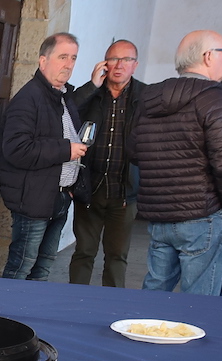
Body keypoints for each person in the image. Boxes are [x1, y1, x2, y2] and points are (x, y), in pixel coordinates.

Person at [132, 30, 222, 295]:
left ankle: (145, 324)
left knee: (155, 291)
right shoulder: (215, 97)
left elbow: (134, 151)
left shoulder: (150, 96)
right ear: (208, 56)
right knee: (199, 299)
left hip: (160, 212)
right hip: (202, 213)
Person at [0, 33, 87, 282]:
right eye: (62, 57)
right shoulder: (28, 99)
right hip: (33, 200)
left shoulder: (62, 96)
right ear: (43, 60)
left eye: (73, 58)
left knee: (43, 268)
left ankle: (31, 308)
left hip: (59, 197)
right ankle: (6, 307)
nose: (68, 64)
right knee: (21, 268)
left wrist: (69, 188)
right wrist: (66, 150)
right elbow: (17, 149)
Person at [66, 40, 146, 288]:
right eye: (113, 59)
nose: (119, 65)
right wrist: (92, 85)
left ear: (135, 65)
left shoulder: (146, 97)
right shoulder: (92, 94)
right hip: (90, 187)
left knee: (117, 256)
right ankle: (75, 301)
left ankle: (112, 304)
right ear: (104, 63)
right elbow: (66, 111)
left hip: (124, 192)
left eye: (126, 60)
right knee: (84, 252)